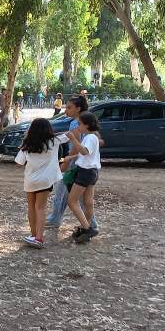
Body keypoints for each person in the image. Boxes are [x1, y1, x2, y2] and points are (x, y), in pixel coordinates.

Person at [45, 96, 101, 230]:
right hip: (81, 164)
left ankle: (88, 225)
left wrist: (66, 161)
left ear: (78, 108)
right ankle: (86, 224)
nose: (66, 111)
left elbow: (77, 146)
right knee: (72, 194)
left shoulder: (77, 124)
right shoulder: (81, 122)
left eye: (69, 108)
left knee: (70, 194)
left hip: (78, 164)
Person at [15, 118, 69, 248]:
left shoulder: (26, 145)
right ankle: (39, 237)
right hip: (46, 180)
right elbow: (69, 136)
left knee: (31, 207)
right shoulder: (54, 141)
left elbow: (19, 162)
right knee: (41, 208)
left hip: (30, 180)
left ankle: (33, 235)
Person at [66, 112, 101, 244]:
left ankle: (87, 229)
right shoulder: (90, 137)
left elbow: (85, 151)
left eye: (80, 124)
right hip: (91, 172)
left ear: (86, 125)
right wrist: (72, 157)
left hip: (86, 172)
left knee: (72, 201)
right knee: (88, 202)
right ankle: (86, 226)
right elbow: (88, 154)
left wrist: (73, 139)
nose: (78, 126)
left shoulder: (91, 137)